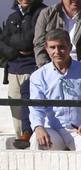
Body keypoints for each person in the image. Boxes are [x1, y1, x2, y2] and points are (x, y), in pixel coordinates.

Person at [28, 28, 81, 150]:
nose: (57, 52)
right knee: (37, 140)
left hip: (80, 131)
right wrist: (38, 127)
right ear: (46, 49)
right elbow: (36, 107)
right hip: (53, 130)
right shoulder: (39, 76)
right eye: (52, 47)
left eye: (61, 47)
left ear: (69, 46)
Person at [1, 0, 45, 145]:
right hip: (13, 69)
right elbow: (2, 41)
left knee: (30, 106)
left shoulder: (42, 13)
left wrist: (13, 41)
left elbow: (28, 42)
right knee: (15, 108)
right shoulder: (13, 16)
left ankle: (31, 139)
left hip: (32, 67)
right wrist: (13, 52)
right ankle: (20, 141)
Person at [33, 0, 81, 70]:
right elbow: (39, 45)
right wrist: (47, 69)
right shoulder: (47, 14)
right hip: (51, 64)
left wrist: (78, 69)